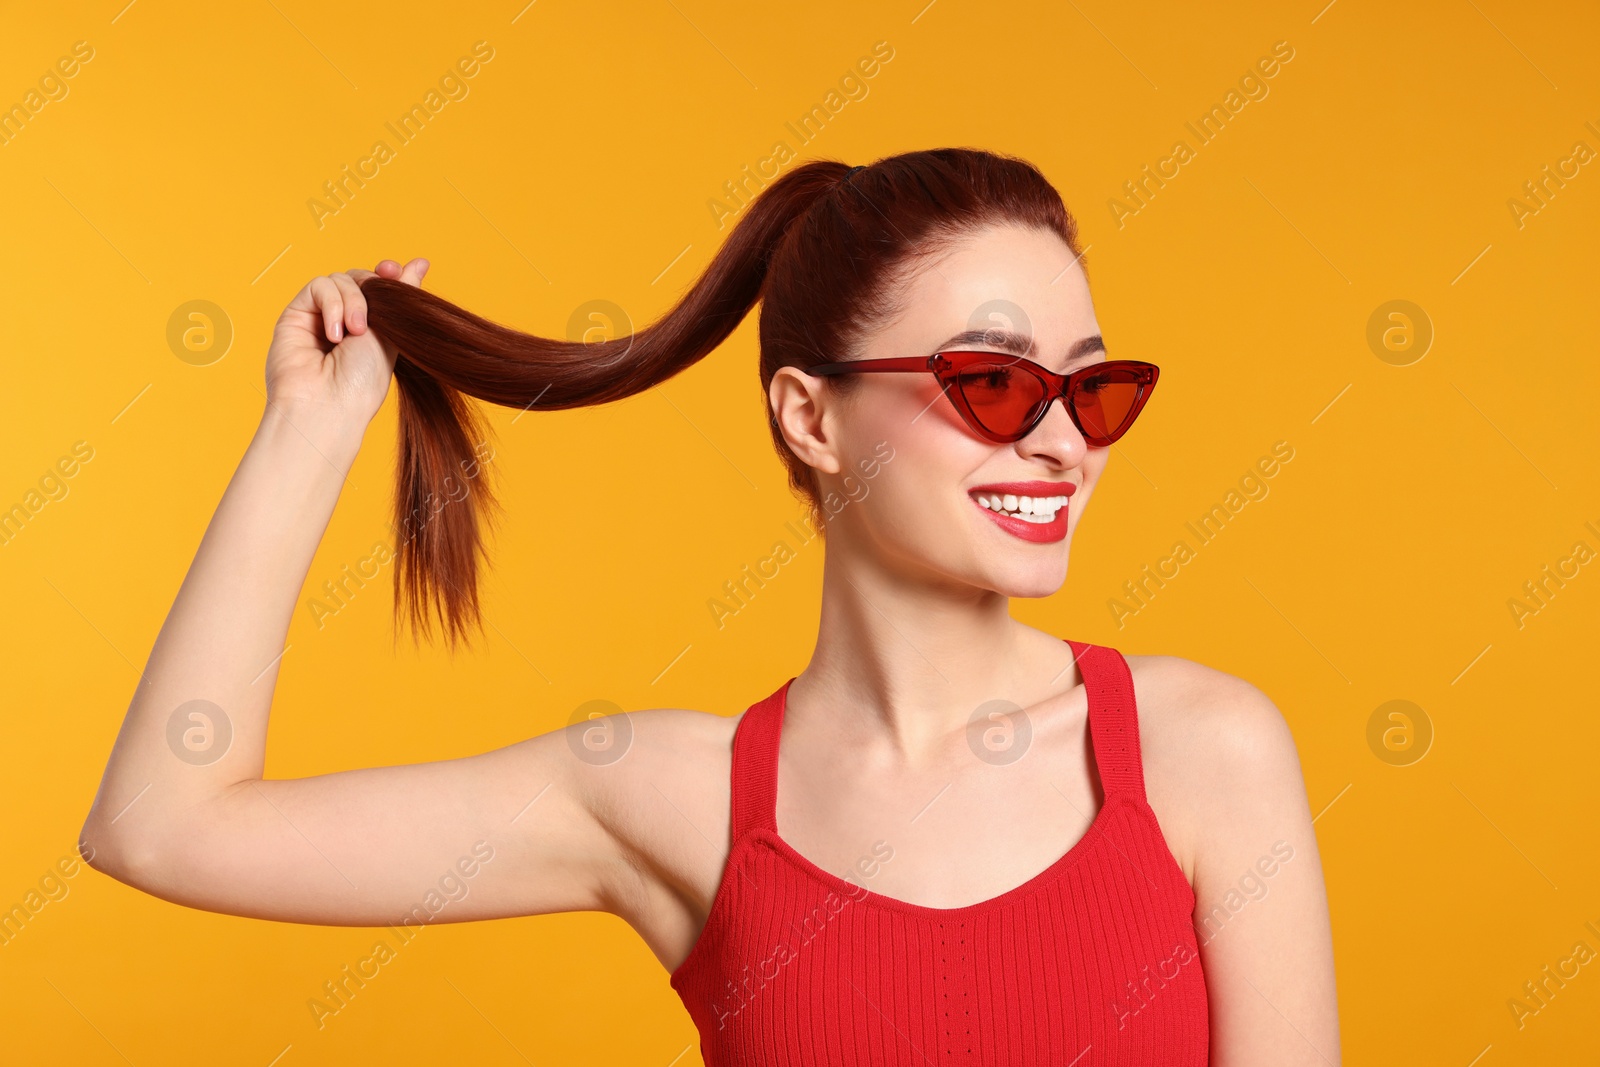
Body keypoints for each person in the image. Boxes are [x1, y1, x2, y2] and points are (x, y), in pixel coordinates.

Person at [80, 148, 1339, 1064]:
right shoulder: (669, 795)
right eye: (996, 383)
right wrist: (313, 429)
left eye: (1091, 388)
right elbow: (161, 826)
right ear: (809, 415)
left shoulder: (1202, 750)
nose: (1064, 441)